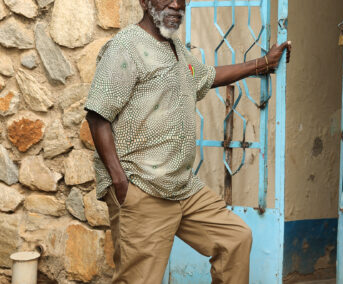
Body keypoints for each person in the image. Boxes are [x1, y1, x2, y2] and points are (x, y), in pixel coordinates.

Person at [84, 0, 291, 282]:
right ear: (145, 2)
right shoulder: (126, 47)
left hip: (182, 186)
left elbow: (206, 76)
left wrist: (262, 64)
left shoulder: (175, 48)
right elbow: (97, 116)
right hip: (142, 184)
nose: (176, 4)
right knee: (139, 279)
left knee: (235, 239)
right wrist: (121, 183)